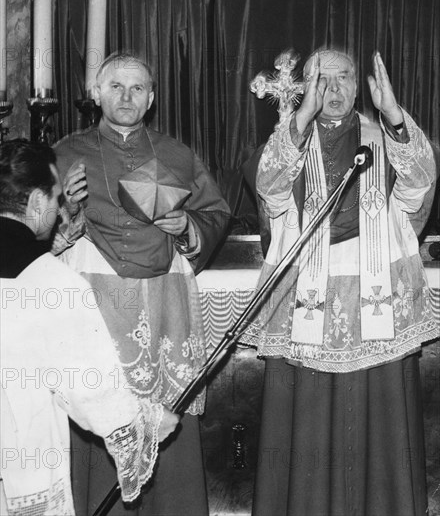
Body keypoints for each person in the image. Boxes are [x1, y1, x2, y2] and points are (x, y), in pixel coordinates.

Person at [241, 50, 438, 516]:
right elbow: (268, 188)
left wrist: (393, 115)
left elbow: (420, 184)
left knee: (379, 420)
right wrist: (300, 119)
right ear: (308, 88)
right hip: (308, 298)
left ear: (359, 85)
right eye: (321, 80)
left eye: (343, 78)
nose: (333, 90)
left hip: (378, 305)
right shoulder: (288, 142)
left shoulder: (384, 138)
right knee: (305, 420)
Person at [54, 52, 231, 515]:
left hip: (162, 305)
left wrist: (187, 227)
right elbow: (27, 229)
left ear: (151, 98)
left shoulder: (176, 153)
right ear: (96, 93)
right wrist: (65, 222)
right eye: (115, 86)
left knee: (166, 405)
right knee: (98, 403)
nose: (126, 97)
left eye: (137, 88)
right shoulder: (65, 153)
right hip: (95, 297)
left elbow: (216, 213)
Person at [0, 139, 179, 516]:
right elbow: (94, 390)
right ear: (35, 203)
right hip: (22, 456)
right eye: (55, 198)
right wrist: (146, 423)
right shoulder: (51, 283)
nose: (59, 207)